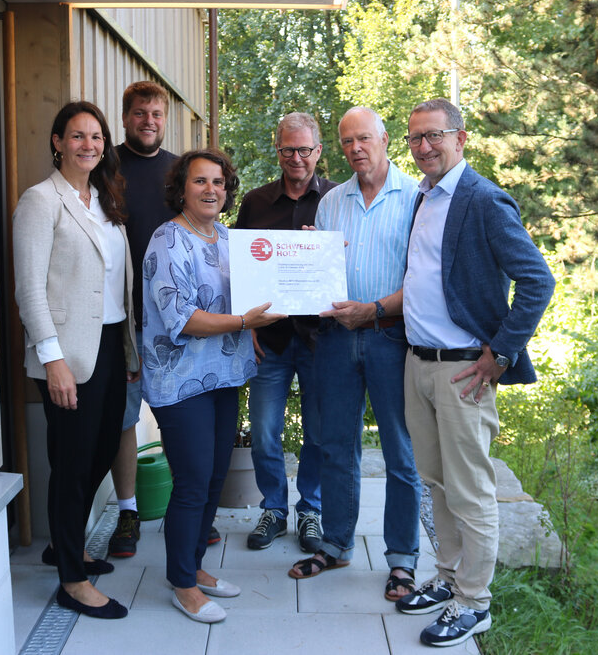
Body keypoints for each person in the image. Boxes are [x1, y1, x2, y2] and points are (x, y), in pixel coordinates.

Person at [395, 98, 554, 647]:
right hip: (419, 364)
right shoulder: (424, 196)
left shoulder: (483, 200)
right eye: (415, 138)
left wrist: (500, 354)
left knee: (470, 493)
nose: (423, 147)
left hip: (464, 371)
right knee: (436, 485)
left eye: (434, 136)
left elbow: (538, 281)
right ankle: (447, 579)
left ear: (461, 138)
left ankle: (474, 603)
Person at [287, 107, 423, 607]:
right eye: (346, 141)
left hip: (392, 336)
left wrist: (374, 310)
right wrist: (305, 263)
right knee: (334, 445)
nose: (355, 148)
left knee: (400, 452)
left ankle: (402, 560)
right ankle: (337, 544)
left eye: (363, 138)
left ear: (385, 139)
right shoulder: (331, 203)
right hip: (337, 339)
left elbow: (423, 280)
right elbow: (321, 276)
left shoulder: (416, 197)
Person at [142, 148, 284, 623]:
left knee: (214, 479)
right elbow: (181, 320)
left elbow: (254, 293)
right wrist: (245, 320)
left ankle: (193, 567)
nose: (211, 190)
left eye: (218, 183)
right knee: (192, 482)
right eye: (200, 181)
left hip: (225, 374)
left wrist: (313, 263)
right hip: (181, 382)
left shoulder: (227, 238)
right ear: (181, 188)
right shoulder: (167, 241)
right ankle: (182, 583)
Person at [12, 101, 139, 620]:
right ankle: (71, 577)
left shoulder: (103, 198)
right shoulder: (40, 202)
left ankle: (64, 544)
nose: (89, 145)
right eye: (78, 136)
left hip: (110, 343)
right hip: (67, 353)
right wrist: (52, 361)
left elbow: (115, 281)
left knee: (102, 446)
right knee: (71, 461)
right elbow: (29, 289)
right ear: (58, 142)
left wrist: (127, 345)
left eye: (96, 137)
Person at [234, 112, 337, 552]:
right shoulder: (255, 203)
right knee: (263, 430)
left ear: (318, 151)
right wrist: (247, 328)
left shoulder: (338, 200)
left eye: (304, 149)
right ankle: (274, 508)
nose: (296, 158)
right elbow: (239, 270)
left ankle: (310, 510)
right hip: (270, 341)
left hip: (321, 340)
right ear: (276, 150)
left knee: (317, 433)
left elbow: (349, 265)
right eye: (287, 149)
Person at [106, 81, 179, 558]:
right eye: (139, 113)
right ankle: (128, 512)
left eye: (156, 113)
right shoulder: (104, 166)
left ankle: (188, 509)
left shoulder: (181, 170)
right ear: (126, 116)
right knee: (124, 419)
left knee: (178, 414)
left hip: (174, 320)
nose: (148, 121)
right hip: (123, 318)